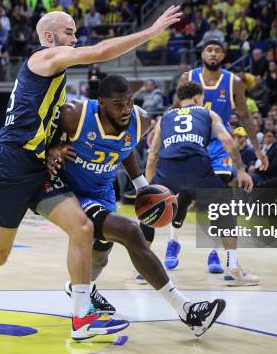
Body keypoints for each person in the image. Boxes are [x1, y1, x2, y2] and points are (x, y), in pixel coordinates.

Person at [0, 7, 182, 340]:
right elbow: (100, 52)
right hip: (9, 164)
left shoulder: (55, 71)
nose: (76, 37)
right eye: (70, 31)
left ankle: (81, 317)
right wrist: (150, 31)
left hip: (36, 164)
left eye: (75, 32)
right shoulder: (43, 59)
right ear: (49, 37)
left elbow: (48, 121)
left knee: (82, 227)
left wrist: (54, 148)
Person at [47, 75, 226, 336]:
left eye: (129, 102)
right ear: (101, 103)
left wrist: (142, 185)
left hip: (103, 191)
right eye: (118, 105)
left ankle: (80, 288)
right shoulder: (74, 114)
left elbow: (126, 145)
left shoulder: (140, 119)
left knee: (101, 250)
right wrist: (54, 147)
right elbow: (42, 138)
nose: (125, 110)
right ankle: (186, 310)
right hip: (72, 193)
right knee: (131, 232)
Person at [146, 82, 259, 285]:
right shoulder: (208, 114)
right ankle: (233, 267)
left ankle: (143, 269)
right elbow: (227, 141)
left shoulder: (165, 118)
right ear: (199, 98)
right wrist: (241, 170)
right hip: (196, 165)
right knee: (226, 209)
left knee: (148, 213)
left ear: (180, 100)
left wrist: (148, 189)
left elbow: (152, 156)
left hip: (168, 167)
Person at [170, 39, 267, 275]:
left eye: (217, 51)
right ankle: (173, 243)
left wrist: (257, 149)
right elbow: (175, 108)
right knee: (182, 196)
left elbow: (245, 116)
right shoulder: (188, 78)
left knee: (217, 200)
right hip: (191, 141)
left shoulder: (233, 82)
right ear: (202, 53)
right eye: (209, 50)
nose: (213, 54)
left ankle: (213, 250)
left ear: (223, 56)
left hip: (218, 144)